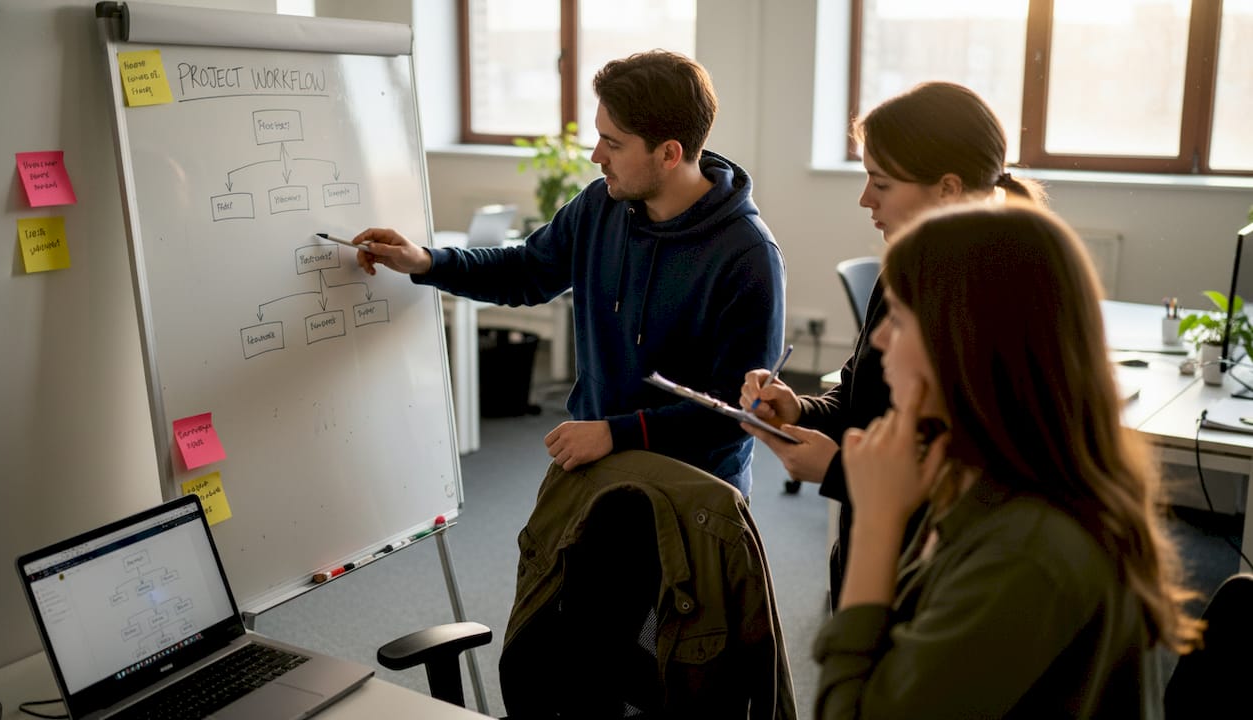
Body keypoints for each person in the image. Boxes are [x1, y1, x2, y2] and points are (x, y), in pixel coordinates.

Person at [766, 201, 1202, 716]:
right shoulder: (980, 481)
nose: (879, 339)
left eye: (900, 320)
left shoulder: (1028, 553)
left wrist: (878, 529)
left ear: (966, 345)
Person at [354, 50, 784, 495]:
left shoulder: (748, 255)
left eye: (613, 143)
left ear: (670, 153)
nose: (597, 155)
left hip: (693, 494)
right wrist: (426, 261)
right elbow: (526, 272)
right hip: (598, 470)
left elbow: (739, 413)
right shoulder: (600, 206)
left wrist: (618, 433)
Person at [740, 81, 1045, 602]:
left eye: (880, 183)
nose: (864, 199)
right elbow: (861, 402)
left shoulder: (999, 303)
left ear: (948, 189)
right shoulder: (902, 274)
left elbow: (980, 483)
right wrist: (798, 409)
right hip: (872, 557)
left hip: (939, 580)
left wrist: (839, 470)